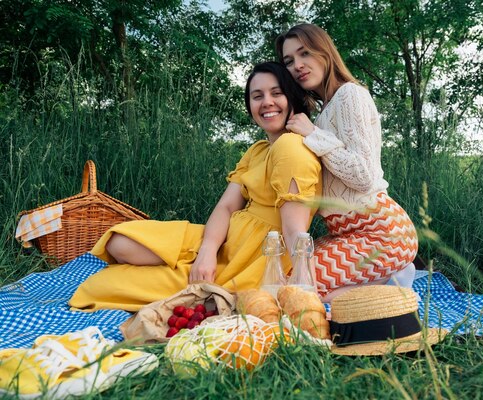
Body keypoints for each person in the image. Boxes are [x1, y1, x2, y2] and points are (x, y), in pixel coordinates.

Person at [69, 62, 322, 312]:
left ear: (292, 98)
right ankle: (180, 265)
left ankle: (180, 277)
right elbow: (226, 207)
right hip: (224, 238)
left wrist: (304, 294)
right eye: (257, 96)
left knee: (101, 286)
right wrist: (207, 251)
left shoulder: (292, 147)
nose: (267, 102)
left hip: (248, 259)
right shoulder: (258, 150)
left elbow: (295, 232)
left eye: (276, 93)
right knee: (118, 241)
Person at [276, 23, 418, 302]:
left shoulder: (350, 95)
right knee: (286, 270)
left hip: (381, 232)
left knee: (297, 288)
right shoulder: (326, 110)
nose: (298, 66)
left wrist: (313, 134)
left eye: (305, 54)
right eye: (289, 61)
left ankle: (390, 284)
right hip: (347, 232)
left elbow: (362, 175)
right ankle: (385, 280)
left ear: (325, 53)